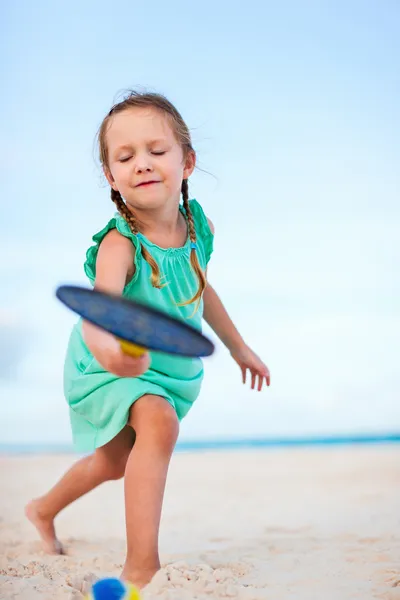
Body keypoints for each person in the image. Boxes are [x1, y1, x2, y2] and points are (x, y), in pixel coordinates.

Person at [26, 91, 270, 589]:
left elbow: (201, 289)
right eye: (125, 156)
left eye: (157, 151)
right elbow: (97, 313)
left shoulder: (197, 229)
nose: (142, 164)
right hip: (105, 360)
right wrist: (112, 355)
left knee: (113, 462)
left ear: (187, 162)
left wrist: (239, 346)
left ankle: (41, 509)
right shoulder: (120, 244)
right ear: (112, 177)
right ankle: (141, 565)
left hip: (165, 363)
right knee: (157, 422)